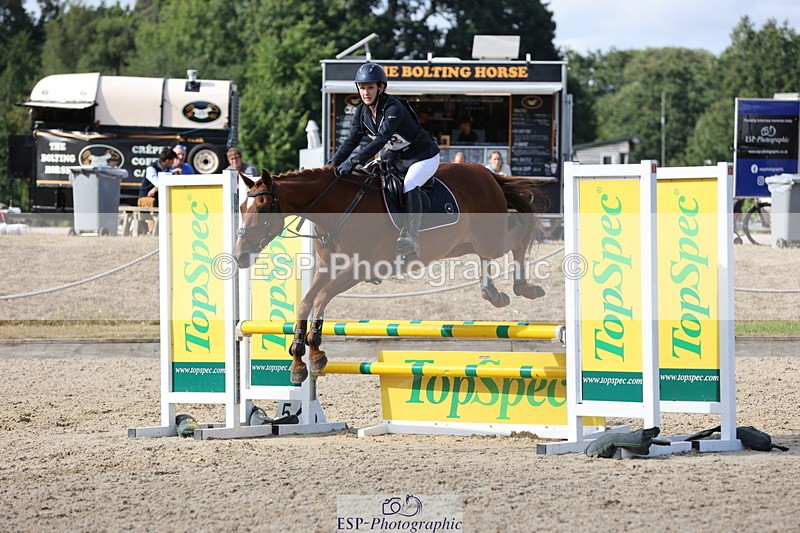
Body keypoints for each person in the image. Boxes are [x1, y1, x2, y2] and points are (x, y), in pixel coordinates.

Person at [331, 62, 440, 261]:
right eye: (362, 87)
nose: (365, 92)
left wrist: (355, 160)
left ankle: (411, 238)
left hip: (422, 155)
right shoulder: (362, 112)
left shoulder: (393, 107)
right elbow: (351, 140)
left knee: (410, 183)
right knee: (366, 177)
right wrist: (333, 163)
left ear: (381, 88)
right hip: (396, 157)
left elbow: (382, 139)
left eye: (370, 87)